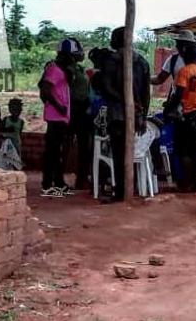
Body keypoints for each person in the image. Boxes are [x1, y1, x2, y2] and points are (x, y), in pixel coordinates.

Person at [93, 27, 151, 202]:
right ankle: (128, 189)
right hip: (136, 114)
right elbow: (146, 93)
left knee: (119, 154)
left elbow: (106, 86)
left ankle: (121, 193)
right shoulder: (141, 61)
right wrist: (142, 114)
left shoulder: (112, 60)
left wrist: (126, 102)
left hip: (118, 115)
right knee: (129, 153)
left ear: (117, 40)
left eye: (112, 38)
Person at [38, 40, 76, 196]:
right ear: (65, 54)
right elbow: (45, 88)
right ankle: (47, 184)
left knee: (57, 151)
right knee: (52, 151)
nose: (73, 59)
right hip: (55, 117)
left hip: (60, 118)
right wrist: (58, 106)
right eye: (72, 56)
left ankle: (58, 183)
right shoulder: (54, 70)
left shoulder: (60, 69)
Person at [172, 43, 196, 191]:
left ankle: (186, 183)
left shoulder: (184, 71)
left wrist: (169, 109)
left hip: (185, 114)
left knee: (183, 151)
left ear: (185, 55)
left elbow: (179, 93)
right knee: (195, 149)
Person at [64, 38, 92, 190]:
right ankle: (59, 179)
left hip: (82, 110)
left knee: (84, 146)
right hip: (72, 109)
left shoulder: (79, 69)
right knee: (66, 144)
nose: (82, 53)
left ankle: (81, 178)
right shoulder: (68, 70)